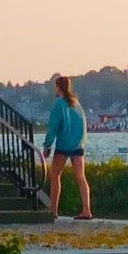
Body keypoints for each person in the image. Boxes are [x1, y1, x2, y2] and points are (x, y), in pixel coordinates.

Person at [42, 74, 91, 220]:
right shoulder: (77, 104)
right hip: (78, 145)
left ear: (58, 88)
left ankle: (54, 209)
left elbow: (53, 127)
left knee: (55, 175)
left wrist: (47, 146)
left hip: (64, 144)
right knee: (81, 177)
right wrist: (81, 142)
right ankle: (87, 209)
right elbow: (83, 126)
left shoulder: (58, 104)